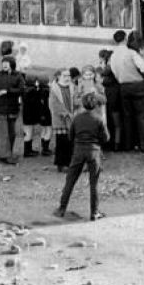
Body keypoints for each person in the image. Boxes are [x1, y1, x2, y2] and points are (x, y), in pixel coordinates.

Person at [53, 92, 106, 222]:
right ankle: (94, 212)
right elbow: (105, 137)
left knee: (70, 180)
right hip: (93, 151)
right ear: (95, 105)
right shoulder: (98, 119)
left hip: (78, 150)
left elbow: (70, 136)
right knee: (94, 183)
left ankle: (61, 208)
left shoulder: (77, 118)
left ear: (82, 104)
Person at [110, 29, 144, 152]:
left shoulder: (113, 56)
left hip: (123, 87)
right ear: (125, 39)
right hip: (138, 86)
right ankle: (143, 145)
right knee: (142, 116)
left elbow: (115, 73)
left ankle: (129, 144)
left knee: (127, 117)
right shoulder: (131, 53)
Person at [49, 68, 77, 172]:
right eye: (64, 76)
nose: (67, 78)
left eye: (68, 76)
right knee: (61, 142)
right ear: (58, 77)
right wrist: (65, 113)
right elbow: (53, 104)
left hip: (71, 119)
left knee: (70, 141)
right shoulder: (54, 89)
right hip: (60, 120)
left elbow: (75, 100)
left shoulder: (73, 88)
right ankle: (61, 163)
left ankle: (70, 162)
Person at [22, 77, 52, 157]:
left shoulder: (25, 89)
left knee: (28, 132)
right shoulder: (36, 91)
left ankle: (28, 150)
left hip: (26, 114)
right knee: (30, 132)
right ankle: (30, 151)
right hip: (33, 114)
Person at [99, 49, 121, 150]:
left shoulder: (108, 72)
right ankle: (116, 143)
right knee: (116, 123)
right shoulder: (116, 70)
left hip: (111, 99)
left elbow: (104, 72)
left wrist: (103, 65)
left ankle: (112, 143)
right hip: (115, 98)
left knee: (112, 122)